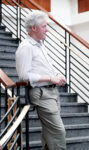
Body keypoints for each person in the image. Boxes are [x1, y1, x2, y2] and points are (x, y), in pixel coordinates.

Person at [16, 10, 66, 150]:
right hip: (42, 94)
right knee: (58, 132)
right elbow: (24, 76)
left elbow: (45, 67)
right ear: (34, 28)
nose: (47, 30)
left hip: (52, 92)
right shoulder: (26, 47)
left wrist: (57, 75)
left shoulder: (40, 45)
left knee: (49, 133)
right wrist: (50, 78)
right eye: (44, 26)